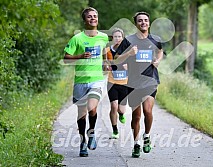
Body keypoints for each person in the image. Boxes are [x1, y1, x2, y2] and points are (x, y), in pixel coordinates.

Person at [115, 11, 163, 158]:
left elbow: (160, 51)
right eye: (140, 21)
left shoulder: (155, 39)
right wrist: (128, 54)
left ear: (149, 23)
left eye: (146, 20)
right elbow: (116, 59)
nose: (143, 23)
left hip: (150, 81)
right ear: (136, 23)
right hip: (133, 83)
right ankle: (136, 143)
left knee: (148, 111)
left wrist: (158, 61)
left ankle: (146, 136)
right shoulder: (128, 40)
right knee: (136, 116)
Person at [63, 7, 109, 157]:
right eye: (90, 17)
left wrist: (106, 62)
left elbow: (105, 53)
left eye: (95, 16)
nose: (93, 18)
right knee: (81, 115)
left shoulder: (103, 37)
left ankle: (92, 133)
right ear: (85, 20)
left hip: (96, 80)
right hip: (80, 81)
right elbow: (66, 58)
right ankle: (83, 141)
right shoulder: (77, 38)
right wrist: (81, 56)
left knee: (92, 108)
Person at [106, 28, 128, 139]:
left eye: (119, 37)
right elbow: (104, 66)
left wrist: (127, 67)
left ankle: (121, 114)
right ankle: (115, 129)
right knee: (113, 106)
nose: (117, 39)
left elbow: (134, 65)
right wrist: (106, 67)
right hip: (112, 82)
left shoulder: (127, 51)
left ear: (122, 38)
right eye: (115, 37)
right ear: (112, 38)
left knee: (121, 109)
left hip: (124, 83)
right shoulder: (107, 51)